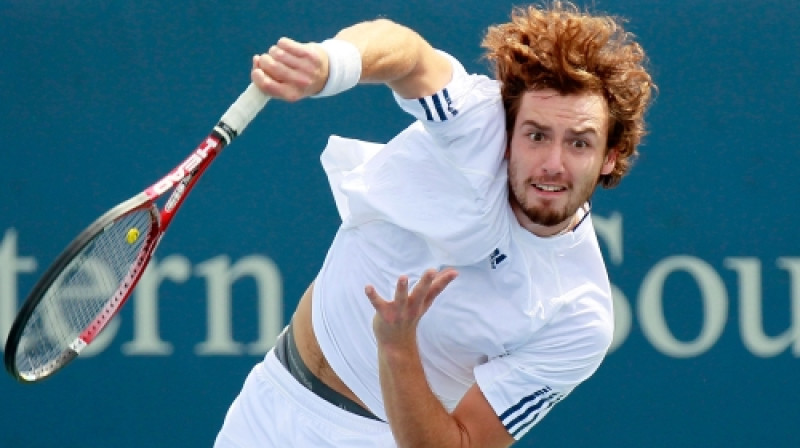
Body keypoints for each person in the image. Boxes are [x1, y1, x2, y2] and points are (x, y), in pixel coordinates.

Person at [214, 2, 654, 447]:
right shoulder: (476, 123)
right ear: (508, 134)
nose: (553, 164)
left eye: (579, 143)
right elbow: (406, 52)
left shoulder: (579, 314)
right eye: (536, 136)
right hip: (269, 397)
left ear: (610, 157)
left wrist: (397, 346)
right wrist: (333, 63)